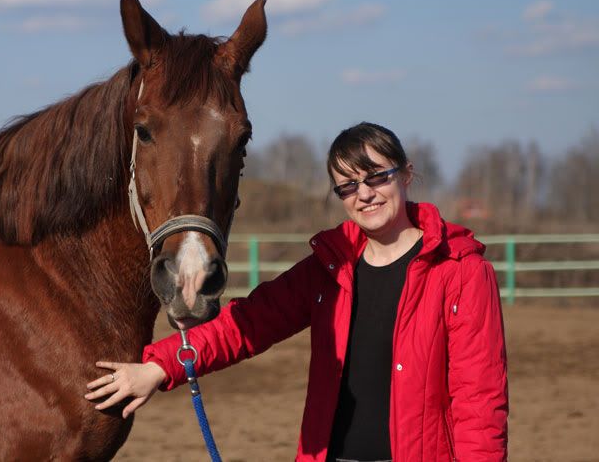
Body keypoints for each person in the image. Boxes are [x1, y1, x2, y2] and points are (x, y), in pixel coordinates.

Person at [85, 122, 508, 462]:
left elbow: (480, 403)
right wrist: (160, 368)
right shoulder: (329, 267)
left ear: (407, 174)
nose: (364, 194)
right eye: (347, 185)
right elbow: (246, 323)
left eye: (376, 177)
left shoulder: (462, 273)